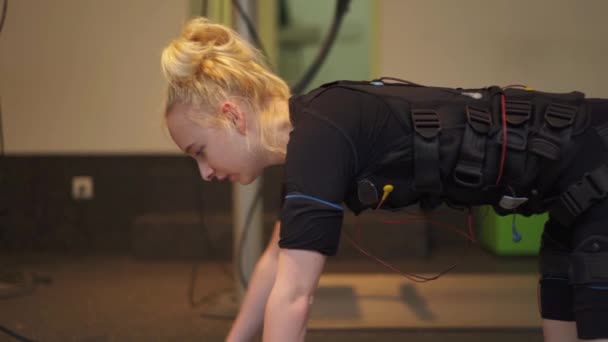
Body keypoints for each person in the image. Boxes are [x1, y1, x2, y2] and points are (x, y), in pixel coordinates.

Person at [161, 17, 608, 342]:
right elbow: (275, 263)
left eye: (199, 151)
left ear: (233, 116)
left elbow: (295, 296)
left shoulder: (321, 135)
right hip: (566, 198)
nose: (205, 172)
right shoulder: (313, 133)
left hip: (596, 170)